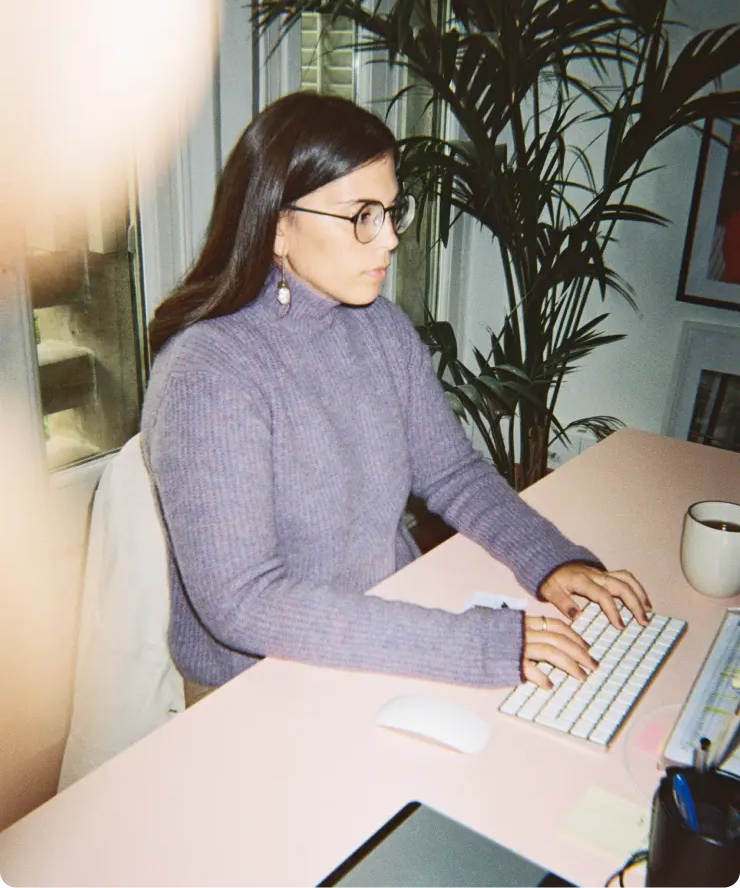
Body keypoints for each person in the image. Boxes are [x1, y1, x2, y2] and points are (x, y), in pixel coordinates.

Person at [141, 92, 652, 703]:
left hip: (383, 625)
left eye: (391, 211)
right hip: (259, 688)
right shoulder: (209, 374)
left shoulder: (378, 328)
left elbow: (454, 473)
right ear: (278, 225)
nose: (389, 240)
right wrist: (477, 646)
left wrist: (552, 562)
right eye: (362, 215)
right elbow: (244, 605)